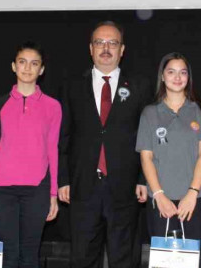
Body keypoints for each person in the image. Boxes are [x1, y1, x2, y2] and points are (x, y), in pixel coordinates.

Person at [58, 21, 152, 268]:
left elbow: (147, 137)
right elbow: (64, 135)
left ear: (122, 50)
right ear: (91, 48)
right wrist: (63, 178)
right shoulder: (72, 86)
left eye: (113, 43)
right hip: (82, 186)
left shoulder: (141, 86)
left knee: (124, 258)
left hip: (126, 187)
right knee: (83, 257)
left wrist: (143, 179)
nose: (106, 48)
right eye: (100, 42)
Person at [0, 41, 62, 268]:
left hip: (37, 191)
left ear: (41, 69)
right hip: (1, 191)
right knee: (8, 255)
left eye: (34, 63)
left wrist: (53, 193)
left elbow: (53, 150)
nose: (27, 68)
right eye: (22, 62)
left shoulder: (53, 106)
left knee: (29, 255)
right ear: (14, 66)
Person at [136, 52, 201, 268]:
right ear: (162, 76)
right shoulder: (150, 113)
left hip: (194, 200)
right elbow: (146, 158)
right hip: (160, 201)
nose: (177, 77)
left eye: (183, 72)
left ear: (188, 77)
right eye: (171, 72)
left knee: (191, 261)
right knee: (164, 262)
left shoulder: (200, 110)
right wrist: (159, 195)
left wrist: (192, 194)